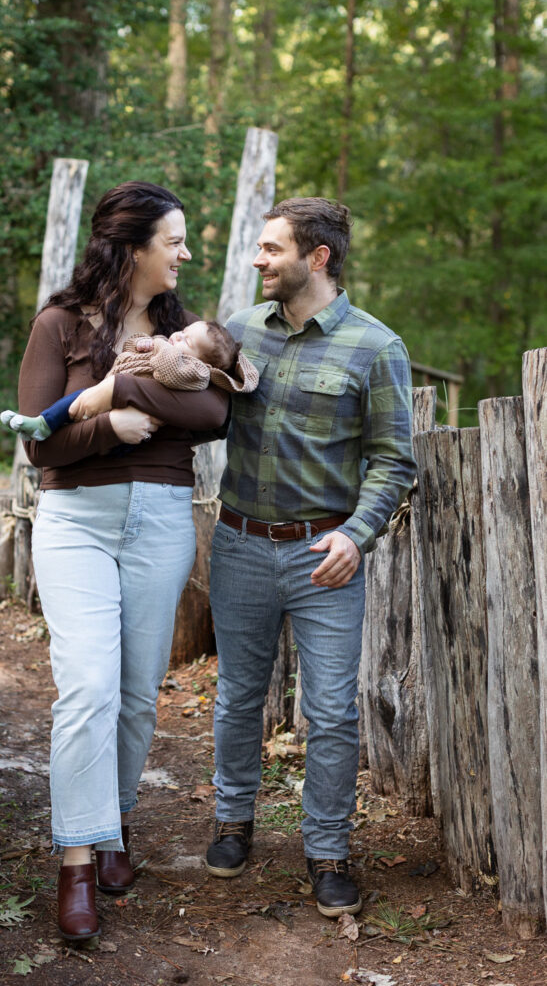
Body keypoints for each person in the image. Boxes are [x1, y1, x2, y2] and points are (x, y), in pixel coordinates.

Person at [16, 181, 230, 942]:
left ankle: (114, 825)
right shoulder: (59, 323)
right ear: (133, 248)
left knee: (137, 694)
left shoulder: (184, 330)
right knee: (88, 689)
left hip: (163, 521)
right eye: (174, 240)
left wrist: (113, 390)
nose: (185, 254)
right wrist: (115, 424)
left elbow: (216, 412)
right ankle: (77, 862)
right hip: (77, 520)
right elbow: (40, 445)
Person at [205, 197, 416, 919]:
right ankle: (232, 821)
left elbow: (393, 460)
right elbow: (196, 411)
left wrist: (356, 535)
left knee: (328, 712)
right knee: (238, 695)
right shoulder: (237, 332)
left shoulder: (376, 347)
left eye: (272, 249)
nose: (257, 260)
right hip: (237, 543)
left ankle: (327, 851)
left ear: (316, 257)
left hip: (324, 556)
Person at [0, 319, 257, 442]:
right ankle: (42, 423)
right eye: (183, 331)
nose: (177, 336)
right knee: (74, 402)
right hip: (105, 395)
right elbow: (130, 351)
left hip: (130, 421)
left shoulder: (196, 371)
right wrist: (143, 342)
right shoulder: (167, 346)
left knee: (112, 436)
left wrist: (158, 344)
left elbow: (169, 371)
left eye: (186, 341)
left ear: (203, 361)